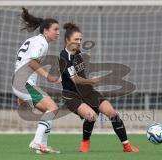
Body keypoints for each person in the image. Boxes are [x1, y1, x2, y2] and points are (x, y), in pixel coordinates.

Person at [59, 22, 139, 153]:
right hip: (72, 96)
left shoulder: (77, 52)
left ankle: (127, 146)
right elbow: (75, 79)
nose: (79, 42)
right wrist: (94, 80)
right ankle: (85, 142)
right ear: (67, 40)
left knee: (112, 113)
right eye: (75, 39)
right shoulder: (64, 58)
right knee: (91, 116)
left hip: (87, 92)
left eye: (80, 39)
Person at [12, 7, 60, 154]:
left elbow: (24, 63)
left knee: (49, 110)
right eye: (55, 29)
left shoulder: (34, 40)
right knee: (52, 108)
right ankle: (37, 142)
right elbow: (32, 63)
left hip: (21, 83)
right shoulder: (41, 43)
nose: (58, 33)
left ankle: (42, 147)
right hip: (23, 83)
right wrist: (48, 76)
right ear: (46, 31)